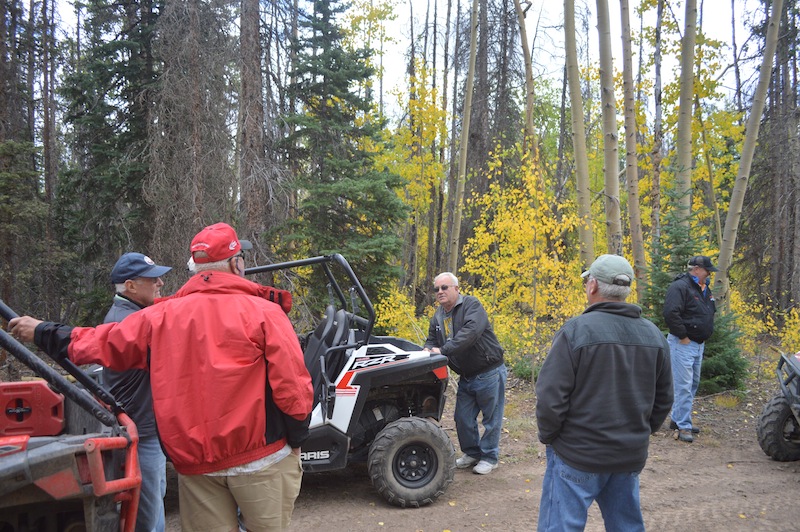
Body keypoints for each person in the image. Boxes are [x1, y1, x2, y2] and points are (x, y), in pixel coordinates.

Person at [9, 222, 313, 532]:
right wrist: (298, 438)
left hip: (198, 468)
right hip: (261, 460)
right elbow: (293, 388)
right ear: (237, 263)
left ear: (197, 269)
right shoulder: (265, 312)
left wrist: (44, 331)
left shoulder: (158, 318)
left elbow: (99, 342)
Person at [536, 254, 673, 531]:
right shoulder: (654, 335)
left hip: (578, 455)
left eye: (588, 281)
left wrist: (550, 437)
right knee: (626, 526)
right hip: (628, 455)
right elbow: (664, 399)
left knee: (561, 526)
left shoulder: (575, 332)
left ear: (593, 285)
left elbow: (550, 397)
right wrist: (640, 432)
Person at [105, 252, 172, 532]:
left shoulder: (135, 314)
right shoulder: (128, 321)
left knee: (154, 502)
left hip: (147, 430)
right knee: (147, 516)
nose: (160, 283)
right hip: (142, 435)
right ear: (130, 286)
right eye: (152, 279)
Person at [423, 272, 506, 475]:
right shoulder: (438, 316)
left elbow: (469, 334)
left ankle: (489, 457)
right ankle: (472, 453)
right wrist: (426, 351)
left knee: (491, 419)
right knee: (462, 418)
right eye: (437, 289)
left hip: (489, 371)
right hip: (466, 376)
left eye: (445, 287)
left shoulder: (472, 305)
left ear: (457, 289)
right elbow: (432, 340)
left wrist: (443, 351)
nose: (440, 292)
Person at [663, 255, 718, 443]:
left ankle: (677, 419)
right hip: (683, 343)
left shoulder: (705, 288)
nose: (709, 273)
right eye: (707, 270)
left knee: (692, 383)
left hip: (698, 344)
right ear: (696, 269)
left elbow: (709, 311)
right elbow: (671, 313)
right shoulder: (680, 287)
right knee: (683, 385)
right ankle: (684, 426)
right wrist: (684, 336)